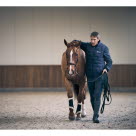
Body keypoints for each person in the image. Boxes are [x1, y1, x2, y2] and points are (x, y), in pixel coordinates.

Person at [75, 31, 112, 123]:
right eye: (91, 39)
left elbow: (109, 61)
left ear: (98, 39)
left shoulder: (104, 48)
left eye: (94, 39)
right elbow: (79, 42)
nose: (92, 41)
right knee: (92, 97)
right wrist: (73, 41)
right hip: (90, 77)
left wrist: (106, 69)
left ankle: (95, 116)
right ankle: (95, 112)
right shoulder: (87, 46)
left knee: (97, 96)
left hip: (99, 76)